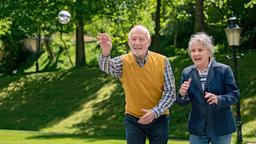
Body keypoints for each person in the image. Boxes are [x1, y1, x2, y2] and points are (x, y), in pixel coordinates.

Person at [97, 25, 176, 144]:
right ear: (129, 42)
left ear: (148, 42)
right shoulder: (123, 62)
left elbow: (170, 94)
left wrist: (154, 112)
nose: (137, 42)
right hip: (133, 119)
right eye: (133, 39)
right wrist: (106, 51)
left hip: (159, 118)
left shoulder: (163, 61)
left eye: (141, 39)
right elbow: (107, 67)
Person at [176, 32, 239, 144]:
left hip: (221, 126)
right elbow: (182, 102)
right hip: (198, 128)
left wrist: (218, 99)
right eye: (193, 51)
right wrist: (182, 94)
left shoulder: (224, 70)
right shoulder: (187, 72)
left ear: (209, 52)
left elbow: (234, 95)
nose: (196, 54)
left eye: (200, 50)